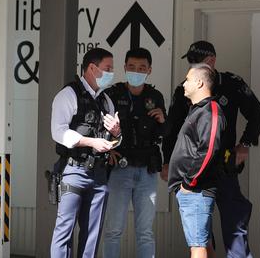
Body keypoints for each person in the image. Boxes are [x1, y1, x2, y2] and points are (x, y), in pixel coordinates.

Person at [162, 41, 260, 258]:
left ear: (211, 61)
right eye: (189, 62)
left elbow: (257, 113)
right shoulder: (184, 90)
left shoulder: (231, 84)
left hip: (224, 166)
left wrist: (244, 145)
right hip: (197, 171)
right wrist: (166, 162)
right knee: (201, 231)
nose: (191, 66)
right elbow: (172, 129)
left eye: (195, 61)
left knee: (234, 222)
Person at [50, 47, 121, 258]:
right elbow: (58, 132)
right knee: (64, 232)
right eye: (108, 68)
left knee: (92, 234)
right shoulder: (68, 94)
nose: (111, 73)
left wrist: (117, 132)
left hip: (99, 174)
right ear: (92, 67)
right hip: (73, 171)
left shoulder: (106, 100)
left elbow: (114, 140)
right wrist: (92, 142)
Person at [102, 48, 166, 258]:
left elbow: (164, 133)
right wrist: (108, 150)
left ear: (149, 70)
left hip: (146, 171)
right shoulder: (113, 94)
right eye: (131, 67)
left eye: (141, 68)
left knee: (145, 232)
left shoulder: (155, 96)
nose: (136, 71)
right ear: (124, 67)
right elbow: (99, 128)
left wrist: (163, 121)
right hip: (120, 170)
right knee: (112, 231)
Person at [168, 64, 226, 258]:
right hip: (191, 190)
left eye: (188, 80)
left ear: (200, 82)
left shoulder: (211, 110)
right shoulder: (197, 110)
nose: (184, 84)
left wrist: (189, 182)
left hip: (196, 190)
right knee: (204, 243)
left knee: (197, 245)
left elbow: (208, 149)